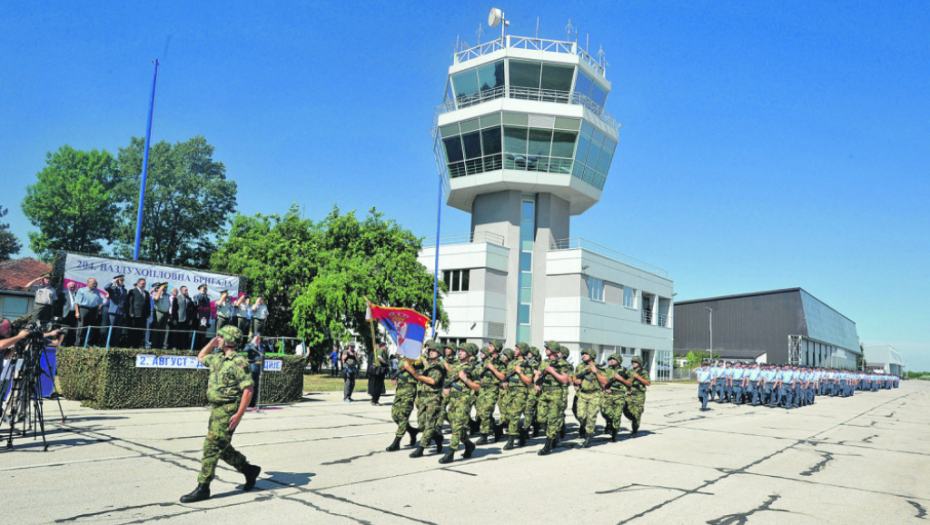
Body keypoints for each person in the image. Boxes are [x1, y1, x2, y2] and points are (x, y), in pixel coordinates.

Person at [179, 326, 261, 503]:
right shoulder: (217, 358)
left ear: (229, 340)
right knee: (221, 448)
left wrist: (239, 414)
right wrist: (211, 343)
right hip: (216, 410)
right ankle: (249, 470)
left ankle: (203, 487)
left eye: (220, 337)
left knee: (211, 447)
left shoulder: (239, 362)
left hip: (229, 409)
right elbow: (200, 357)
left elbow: (248, 389)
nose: (218, 339)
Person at [438, 343, 480, 463]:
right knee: (456, 426)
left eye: (463, 351)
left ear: (468, 354)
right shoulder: (455, 366)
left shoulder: (473, 368)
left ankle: (450, 453)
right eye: (459, 350)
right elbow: (449, 381)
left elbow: (477, 387)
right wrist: (447, 388)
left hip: (465, 399)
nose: (460, 352)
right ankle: (468, 444)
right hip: (453, 399)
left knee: (457, 426)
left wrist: (465, 379)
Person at [407, 341, 446, 458]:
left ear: (438, 353)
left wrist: (417, 375)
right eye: (430, 350)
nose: (431, 352)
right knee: (422, 424)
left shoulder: (440, 366)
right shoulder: (428, 364)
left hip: (434, 398)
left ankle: (421, 448)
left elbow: (433, 381)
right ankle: (437, 438)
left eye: (433, 351)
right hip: (423, 397)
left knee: (430, 424)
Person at [534, 341, 572, 455]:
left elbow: (564, 380)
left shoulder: (562, 364)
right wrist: (536, 383)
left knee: (553, 419)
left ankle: (548, 445)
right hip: (544, 392)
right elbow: (538, 373)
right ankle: (553, 434)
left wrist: (552, 371)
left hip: (556, 393)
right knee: (540, 419)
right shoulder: (544, 362)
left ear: (553, 350)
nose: (545, 349)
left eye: (547, 347)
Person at [386, 350, 421, 452]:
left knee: (403, 416)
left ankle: (396, 442)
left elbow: (422, 369)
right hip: (400, 391)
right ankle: (412, 431)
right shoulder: (402, 359)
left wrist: (411, 366)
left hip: (409, 391)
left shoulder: (417, 359)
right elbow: (396, 368)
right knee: (395, 415)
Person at [475, 340, 505, 445]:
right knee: (480, 412)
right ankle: (496, 430)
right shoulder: (485, 360)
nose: (489, 347)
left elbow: (503, 377)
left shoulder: (500, 362)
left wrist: (493, 369)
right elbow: (478, 371)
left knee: (486, 411)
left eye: (491, 346)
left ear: (496, 348)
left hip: (493, 389)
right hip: (483, 388)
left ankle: (484, 436)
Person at [573, 348, 603, 448]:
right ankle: (586, 427)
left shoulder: (599, 367)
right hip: (582, 394)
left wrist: (596, 372)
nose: (583, 355)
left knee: (591, 416)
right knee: (580, 415)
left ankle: (589, 435)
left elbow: (604, 381)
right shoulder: (580, 366)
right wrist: (576, 383)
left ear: (592, 355)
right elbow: (574, 377)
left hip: (595, 395)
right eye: (583, 354)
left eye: (586, 354)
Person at [622, 356, 650, 437]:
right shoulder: (629, 372)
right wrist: (627, 389)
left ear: (639, 363)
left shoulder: (643, 372)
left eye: (636, 362)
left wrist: (638, 377)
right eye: (633, 362)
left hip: (639, 395)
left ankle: (634, 431)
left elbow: (647, 383)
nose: (633, 363)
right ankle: (633, 419)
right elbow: (625, 381)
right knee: (625, 409)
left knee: (637, 413)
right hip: (630, 394)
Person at [74, 278, 106, 346]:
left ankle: (88, 343)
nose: (94, 285)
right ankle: (79, 343)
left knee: (91, 327)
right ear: (88, 283)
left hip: (93, 310)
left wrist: (98, 309)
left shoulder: (97, 291)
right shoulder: (82, 290)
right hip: (84, 309)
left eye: (95, 283)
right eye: (93, 283)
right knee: (82, 327)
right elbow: (76, 302)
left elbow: (99, 302)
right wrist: (77, 312)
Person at [103, 275, 128, 346]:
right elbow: (106, 287)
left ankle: (115, 344)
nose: (122, 282)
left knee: (117, 330)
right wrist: (113, 282)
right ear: (117, 281)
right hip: (113, 311)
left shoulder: (124, 290)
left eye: (123, 281)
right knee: (111, 328)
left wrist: (124, 312)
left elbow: (125, 301)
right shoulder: (113, 288)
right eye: (121, 280)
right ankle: (107, 343)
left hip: (120, 312)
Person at [126, 279, 150, 349]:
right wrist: (131, 312)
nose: (143, 285)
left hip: (143, 315)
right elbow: (130, 303)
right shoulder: (132, 291)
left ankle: (137, 345)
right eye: (142, 283)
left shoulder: (146, 293)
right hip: (135, 314)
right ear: (138, 284)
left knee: (140, 331)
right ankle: (130, 345)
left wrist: (148, 313)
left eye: (144, 284)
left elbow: (147, 304)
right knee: (132, 331)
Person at [58, 281, 79, 346]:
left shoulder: (77, 294)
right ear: (67, 287)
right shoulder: (63, 294)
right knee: (63, 329)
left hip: (74, 314)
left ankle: (69, 344)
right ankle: (61, 343)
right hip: (65, 314)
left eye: (73, 287)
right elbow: (59, 305)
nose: (72, 289)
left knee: (72, 329)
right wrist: (60, 315)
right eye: (70, 287)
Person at [192, 285, 212, 349]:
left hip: (204, 318)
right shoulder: (196, 296)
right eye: (203, 289)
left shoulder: (207, 298)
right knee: (197, 333)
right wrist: (201, 294)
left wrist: (209, 320)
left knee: (203, 333)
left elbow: (209, 309)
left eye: (205, 289)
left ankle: (201, 347)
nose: (204, 290)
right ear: (199, 289)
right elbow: (196, 303)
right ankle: (195, 347)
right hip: (198, 317)